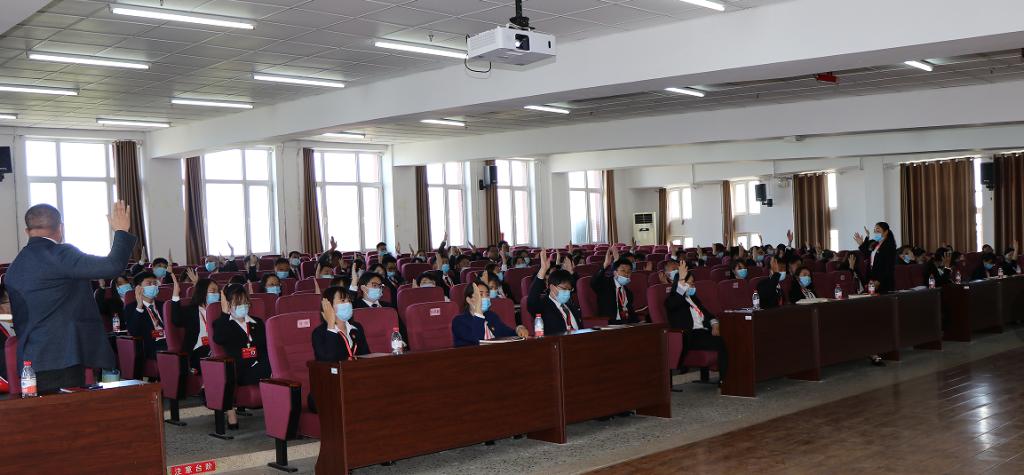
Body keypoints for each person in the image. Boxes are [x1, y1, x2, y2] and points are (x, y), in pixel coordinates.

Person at [5, 202, 135, 393]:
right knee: (69, 411)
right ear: (61, 228)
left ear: (27, 231)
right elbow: (112, 266)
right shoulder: (61, 255)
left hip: (31, 361)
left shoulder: (15, 267)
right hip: (63, 357)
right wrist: (121, 231)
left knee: (44, 411)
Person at [212, 284, 270, 429]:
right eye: (237, 303)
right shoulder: (222, 324)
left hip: (260, 366)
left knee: (274, 361)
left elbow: (265, 348)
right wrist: (224, 314)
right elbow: (219, 339)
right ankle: (229, 408)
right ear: (228, 305)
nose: (242, 306)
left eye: (245, 302)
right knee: (271, 367)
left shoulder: (257, 322)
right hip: (240, 371)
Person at [664, 263, 727, 383]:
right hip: (690, 335)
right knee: (721, 342)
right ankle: (725, 381)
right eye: (690, 283)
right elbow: (675, 301)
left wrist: (715, 324)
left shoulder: (693, 298)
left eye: (694, 283)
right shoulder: (672, 300)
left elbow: (707, 314)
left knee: (732, 334)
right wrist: (681, 280)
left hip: (704, 332)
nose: (693, 286)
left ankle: (734, 376)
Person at [452, 281, 529, 347]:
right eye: (480, 295)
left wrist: (519, 329)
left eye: (487, 295)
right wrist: (478, 311)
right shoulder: (459, 321)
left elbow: (508, 333)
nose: (485, 298)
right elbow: (477, 339)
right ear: (469, 300)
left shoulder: (491, 316)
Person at [171, 269, 216, 372]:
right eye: (213, 291)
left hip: (215, 349)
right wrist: (176, 294)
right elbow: (176, 320)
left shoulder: (218, 311)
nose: (216, 294)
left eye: (217, 292)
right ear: (203, 292)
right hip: (196, 352)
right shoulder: (192, 311)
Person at [527, 249, 583, 333]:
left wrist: (571, 272)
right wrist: (543, 270)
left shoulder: (570, 305)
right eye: (564, 289)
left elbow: (577, 285)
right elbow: (532, 301)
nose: (567, 292)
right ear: (552, 287)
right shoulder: (543, 305)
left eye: (569, 290)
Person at [312, 286, 370, 362]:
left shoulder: (357, 328)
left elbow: (366, 356)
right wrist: (331, 326)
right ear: (328, 305)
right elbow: (328, 360)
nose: (348, 304)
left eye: (349, 300)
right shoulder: (319, 332)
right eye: (342, 300)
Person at [126, 271, 168, 362]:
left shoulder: (164, 305)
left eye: (155, 283)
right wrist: (139, 306)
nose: (153, 286)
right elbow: (133, 332)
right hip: (151, 345)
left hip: (169, 340)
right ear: (138, 288)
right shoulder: (132, 307)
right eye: (149, 283)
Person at [591, 248, 638, 324]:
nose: (626, 274)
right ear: (615, 273)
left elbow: (630, 312)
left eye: (629, 271)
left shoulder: (628, 292)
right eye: (623, 271)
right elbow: (594, 282)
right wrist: (605, 265)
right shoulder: (605, 284)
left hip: (626, 324)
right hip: (610, 324)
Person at [856, 222, 897, 293]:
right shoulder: (875, 244)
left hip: (883, 280)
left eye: (878, 230)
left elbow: (888, 265)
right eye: (874, 230)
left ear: (886, 232)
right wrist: (861, 244)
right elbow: (868, 255)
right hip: (872, 277)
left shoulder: (889, 246)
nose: (875, 232)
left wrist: (879, 280)